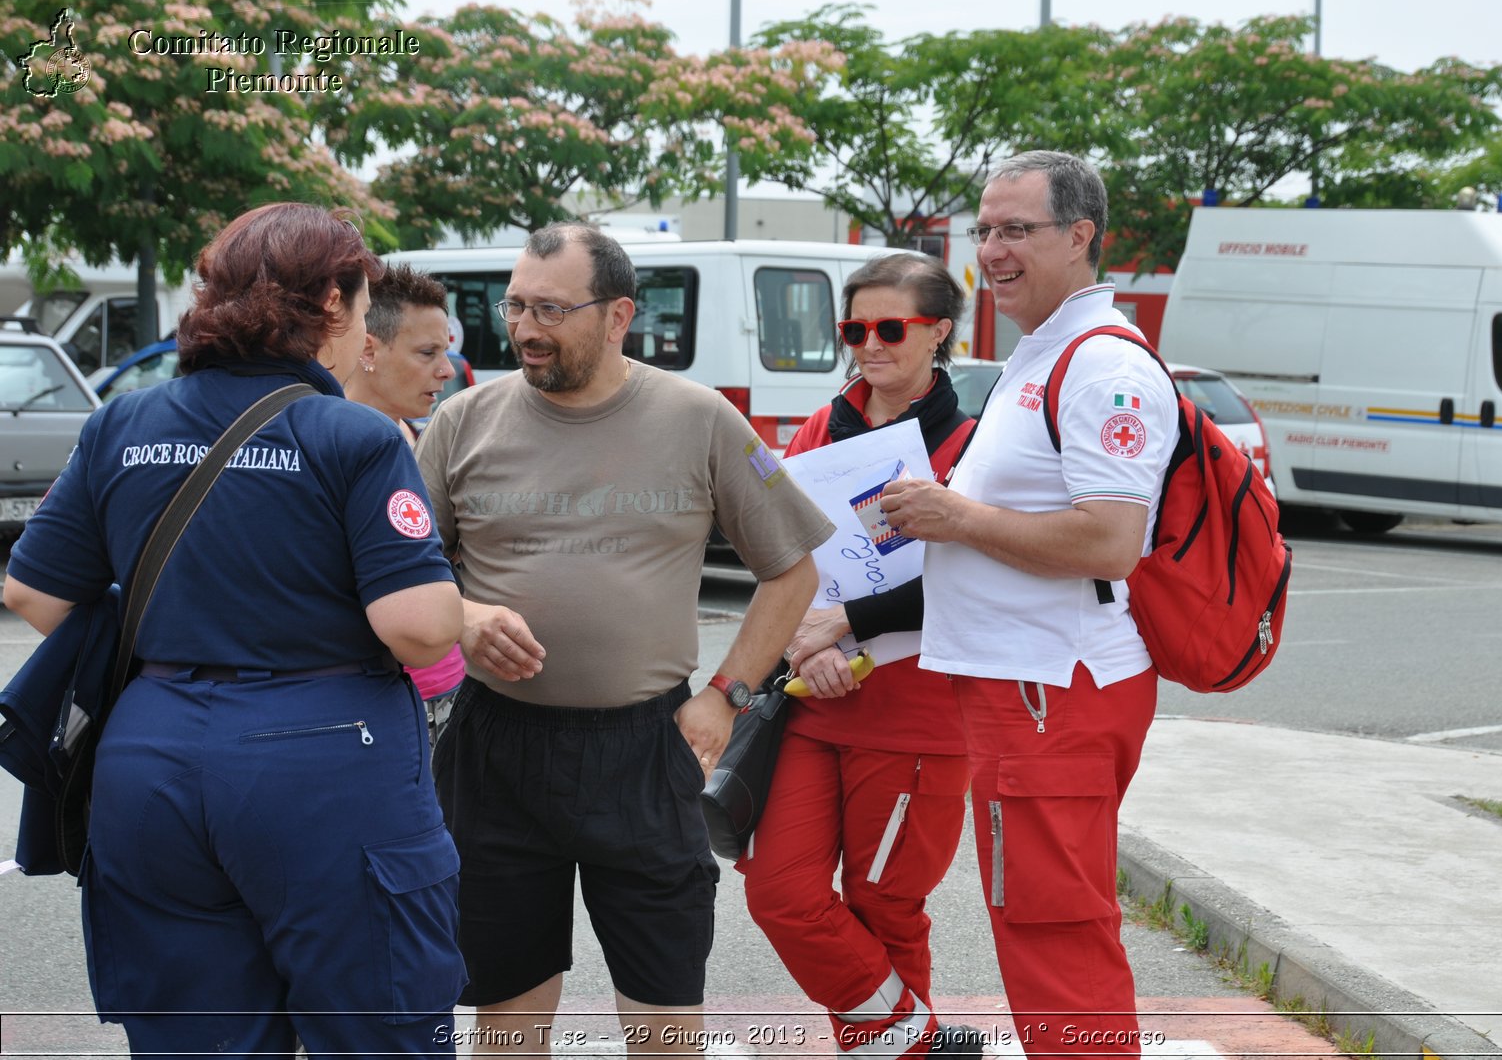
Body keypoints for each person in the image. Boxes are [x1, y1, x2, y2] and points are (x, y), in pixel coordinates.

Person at [2, 203, 468, 1056]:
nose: (365, 331)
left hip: (152, 754)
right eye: (364, 311)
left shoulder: (122, 423)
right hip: (324, 758)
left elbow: (35, 594)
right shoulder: (354, 435)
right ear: (331, 301)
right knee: (378, 1027)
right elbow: (418, 629)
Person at [414, 220, 833, 1054]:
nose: (527, 329)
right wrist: (463, 617)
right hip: (496, 748)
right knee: (504, 1019)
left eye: (552, 309)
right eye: (516, 306)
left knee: (665, 1018)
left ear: (617, 316)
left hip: (645, 747)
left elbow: (792, 573)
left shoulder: (700, 418)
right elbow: (407, 575)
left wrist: (727, 697)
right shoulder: (463, 422)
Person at [880, 151, 1179, 1054]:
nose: (994, 250)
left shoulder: (1099, 367)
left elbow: (1108, 540)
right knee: (1037, 923)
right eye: (985, 231)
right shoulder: (1041, 354)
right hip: (1029, 688)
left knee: (1054, 931)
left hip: (1054, 689)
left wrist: (955, 516)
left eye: (1018, 229)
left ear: (1080, 236)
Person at [739, 252, 985, 1060]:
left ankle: (893, 1052)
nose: (869, 344)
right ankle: (916, 1042)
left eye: (890, 327)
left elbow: (979, 583)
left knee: (884, 908)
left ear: (939, 330)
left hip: (918, 721)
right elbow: (786, 559)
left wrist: (847, 620)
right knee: (780, 894)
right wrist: (811, 632)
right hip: (814, 701)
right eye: (855, 329)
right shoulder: (820, 427)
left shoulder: (976, 443)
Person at [346, 263, 467, 739]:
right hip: (386, 692)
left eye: (446, 352)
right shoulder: (333, 441)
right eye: (427, 353)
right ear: (369, 349)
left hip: (443, 680)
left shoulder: (406, 430)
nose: (446, 369)